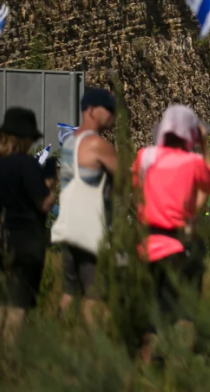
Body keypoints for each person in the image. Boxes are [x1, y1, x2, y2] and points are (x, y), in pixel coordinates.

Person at [132, 105, 210, 364]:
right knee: (183, 313)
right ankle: (179, 368)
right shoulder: (193, 162)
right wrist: (204, 147)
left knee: (151, 312)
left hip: (146, 245)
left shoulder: (145, 156)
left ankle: (147, 368)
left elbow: (135, 190)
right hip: (178, 247)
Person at [0, 107, 53, 360]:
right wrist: (50, 185)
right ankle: (10, 359)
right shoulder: (25, 164)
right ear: (23, 137)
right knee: (18, 303)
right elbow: (43, 202)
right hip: (23, 241)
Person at [51, 88, 118, 329]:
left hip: (69, 226)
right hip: (92, 231)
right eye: (108, 109)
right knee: (95, 296)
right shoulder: (97, 145)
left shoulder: (69, 142)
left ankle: (58, 336)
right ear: (90, 110)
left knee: (69, 292)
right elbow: (128, 180)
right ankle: (95, 348)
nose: (113, 115)